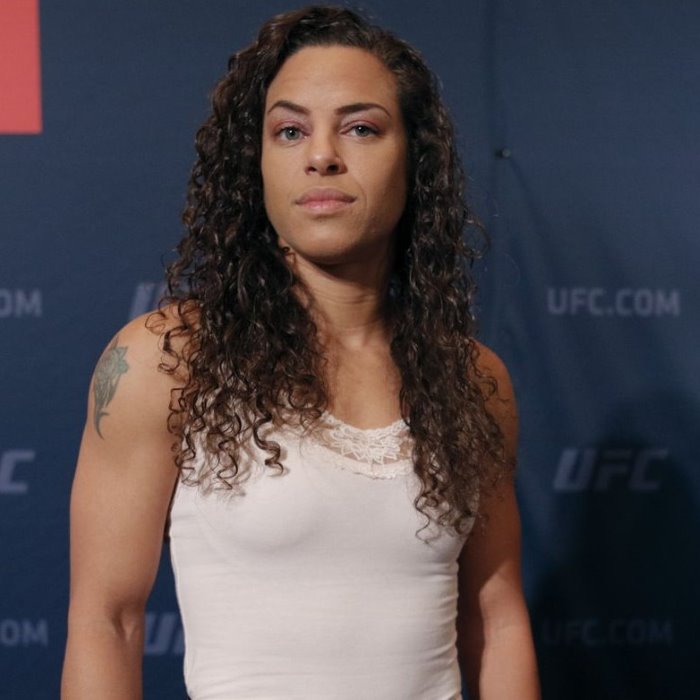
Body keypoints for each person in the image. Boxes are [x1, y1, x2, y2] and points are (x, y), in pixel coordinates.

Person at [61, 5, 540, 699]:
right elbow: (107, 621)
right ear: (255, 163)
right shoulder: (166, 359)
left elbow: (496, 621)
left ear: (416, 158)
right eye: (290, 130)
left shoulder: (473, 380)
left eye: (361, 128)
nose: (321, 156)